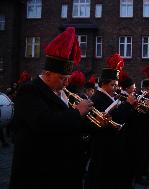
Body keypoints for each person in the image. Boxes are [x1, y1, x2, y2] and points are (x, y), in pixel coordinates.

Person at [9, 27, 93, 189]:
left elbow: (69, 123)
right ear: (47, 74)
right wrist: (77, 112)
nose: (67, 83)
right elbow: (44, 123)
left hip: (62, 169)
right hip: (38, 173)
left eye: (68, 78)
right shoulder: (30, 90)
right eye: (62, 78)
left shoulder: (62, 93)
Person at [86, 56, 137, 189]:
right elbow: (112, 120)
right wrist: (127, 105)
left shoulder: (108, 97)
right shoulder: (98, 98)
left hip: (112, 146)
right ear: (103, 84)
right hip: (104, 147)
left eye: (116, 85)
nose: (115, 88)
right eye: (112, 85)